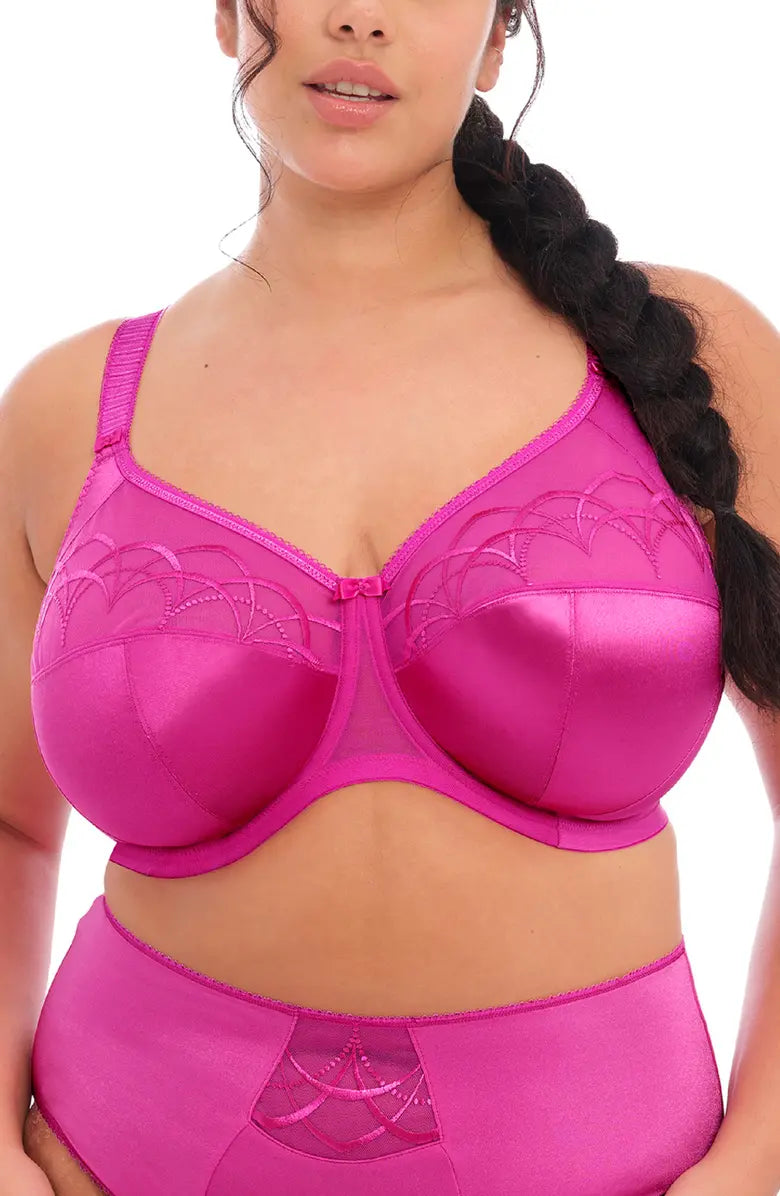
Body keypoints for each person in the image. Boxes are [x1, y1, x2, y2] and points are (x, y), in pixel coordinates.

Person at [3, 2, 780, 1194]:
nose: (361, 15)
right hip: (113, 1154)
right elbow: (11, 826)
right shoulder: (67, 412)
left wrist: (760, 1160)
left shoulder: (690, 356)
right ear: (227, 12)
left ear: (499, 36)